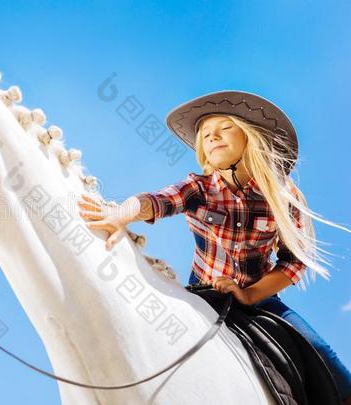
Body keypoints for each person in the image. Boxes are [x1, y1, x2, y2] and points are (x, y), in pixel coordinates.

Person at [76, 90, 351, 404]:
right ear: (202, 152)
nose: (213, 136)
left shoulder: (282, 196)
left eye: (225, 128)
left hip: (259, 298)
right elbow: (156, 201)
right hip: (203, 292)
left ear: (250, 136)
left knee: (328, 363)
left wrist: (248, 294)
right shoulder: (199, 188)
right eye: (205, 134)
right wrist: (119, 214)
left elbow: (292, 263)